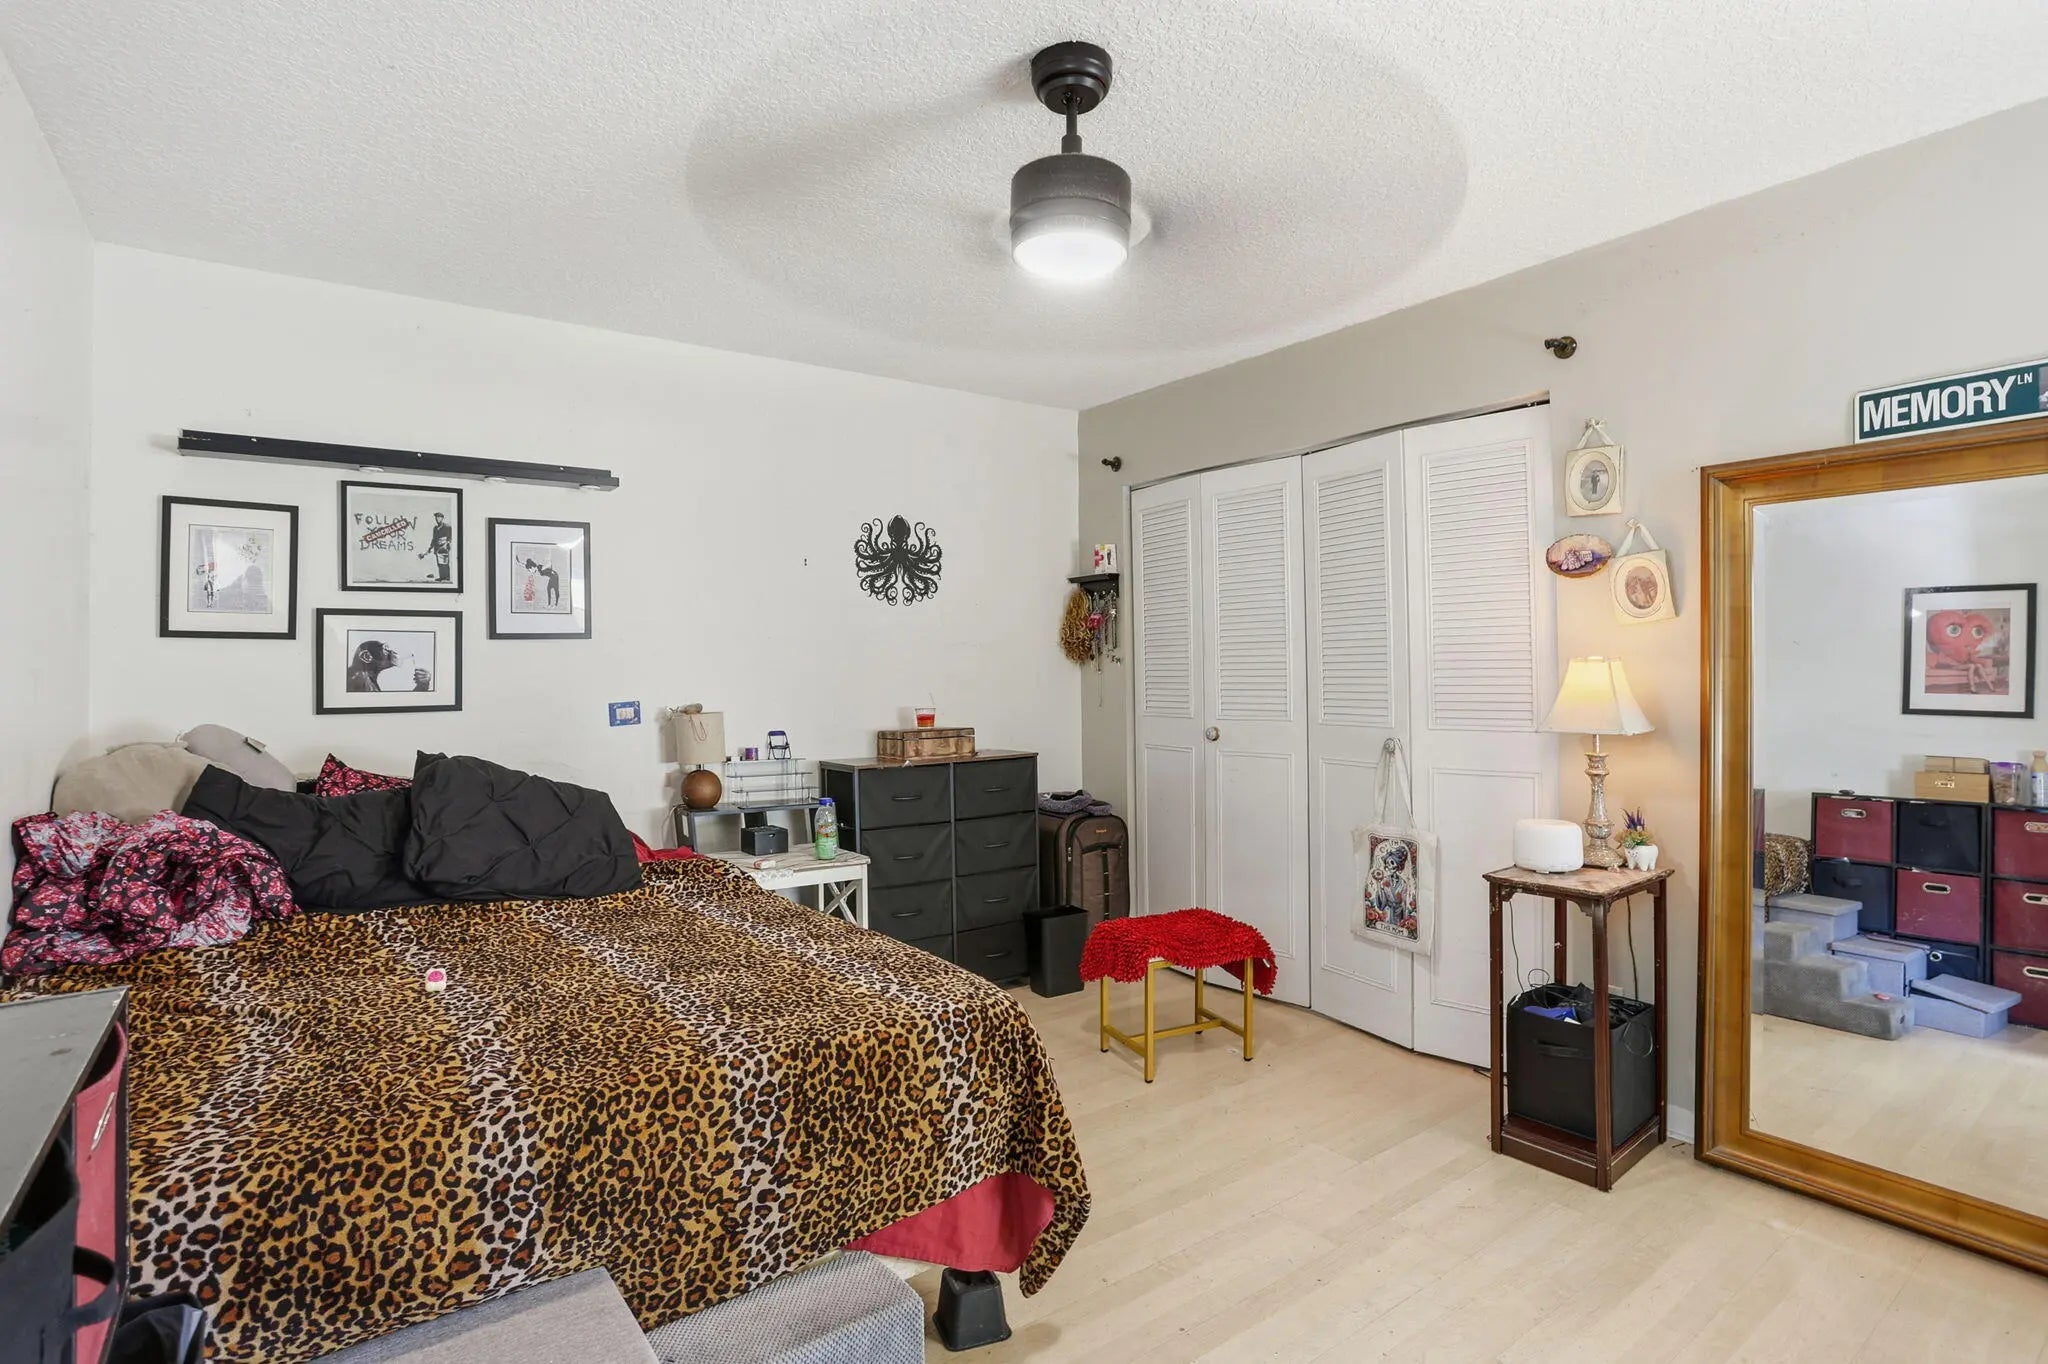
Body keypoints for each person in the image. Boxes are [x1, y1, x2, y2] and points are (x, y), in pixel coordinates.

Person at [417, 512, 453, 583]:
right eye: (436, 517)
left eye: (439, 517)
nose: (437, 519)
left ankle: (447, 578)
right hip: (437, 548)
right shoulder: (435, 528)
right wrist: (430, 548)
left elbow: (450, 537)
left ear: (442, 518)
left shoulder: (447, 527)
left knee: (445, 563)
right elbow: (434, 539)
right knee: (439, 563)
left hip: (444, 547)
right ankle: (442, 577)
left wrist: (446, 544)